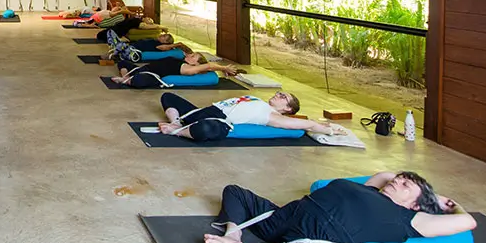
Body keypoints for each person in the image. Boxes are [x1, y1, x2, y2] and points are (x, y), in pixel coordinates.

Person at [205, 172, 477, 243]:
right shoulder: (372, 186)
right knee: (235, 193)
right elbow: (386, 173)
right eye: (401, 179)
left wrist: (442, 200)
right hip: (284, 217)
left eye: (407, 185)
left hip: (316, 241)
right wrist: (406, 182)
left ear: (416, 204)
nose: (399, 180)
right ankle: (234, 236)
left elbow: (467, 222)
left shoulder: (408, 219)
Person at [155, 91, 333, 141]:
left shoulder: (272, 115)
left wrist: (327, 129)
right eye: (280, 93)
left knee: (208, 129)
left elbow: (306, 125)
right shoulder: (256, 99)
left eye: (283, 97)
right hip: (204, 110)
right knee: (167, 96)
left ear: (287, 109)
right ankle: (176, 123)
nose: (278, 95)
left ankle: (176, 131)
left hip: (216, 119)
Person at [110, 53, 241, 87]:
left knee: (140, 80)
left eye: (194, 56)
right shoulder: (181, 60)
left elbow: (208, 66)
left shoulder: (188, 69)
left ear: (197, 64)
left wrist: (224, 67)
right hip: (143, 68)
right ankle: (126, 77)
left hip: (152, 75)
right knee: (122, 62)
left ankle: (126, 80)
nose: (190, 55)